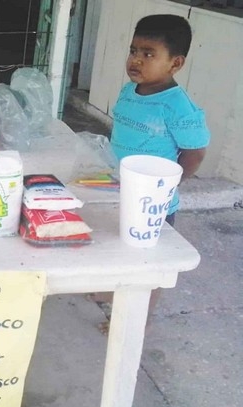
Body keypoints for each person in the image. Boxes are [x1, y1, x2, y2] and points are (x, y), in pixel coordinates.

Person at [92, 14, 211, 332]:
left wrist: (166, 187)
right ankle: (118, 297)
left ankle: (136, 323)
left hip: (153, 204)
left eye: (148, 54)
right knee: (120, 250)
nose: (136, 60)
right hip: (119, 190)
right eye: (133, 50)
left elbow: (195, 153)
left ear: (175, 63)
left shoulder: (178, 107)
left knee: (149, 266)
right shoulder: (129, 91)